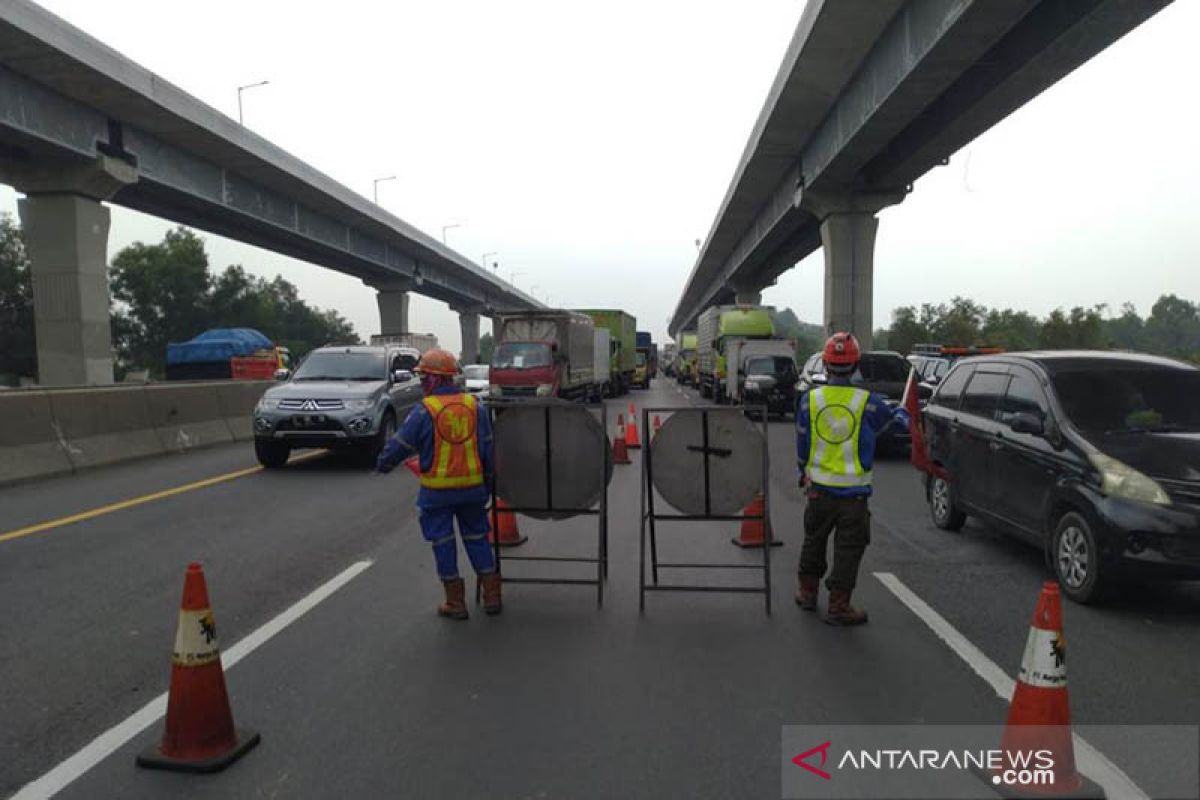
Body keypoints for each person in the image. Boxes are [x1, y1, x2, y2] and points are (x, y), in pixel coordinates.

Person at [376, 348, 502, 620]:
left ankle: (455, 602)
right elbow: (488, 450)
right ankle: (492, 596)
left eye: (424, 378)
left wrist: (383, 463)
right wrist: (489, 484)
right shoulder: (475, 407)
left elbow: (401, 444)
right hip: (472, 490)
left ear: (435, 379)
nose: (421, 383)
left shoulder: (425, 411)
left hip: (437, 494)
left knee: (443, 543)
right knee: (478, 538)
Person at [795, 332, 909, 625]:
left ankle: (807, 594)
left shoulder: (810, 401)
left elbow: (803, 444)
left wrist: (802, 472)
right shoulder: (868, 402)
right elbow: (893, 423)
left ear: (825, 364)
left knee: (813, 541)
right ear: (855, 364)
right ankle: (838, 605)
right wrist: (904, 415)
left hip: (818, 490)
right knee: (848, 549)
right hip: (854, 495)